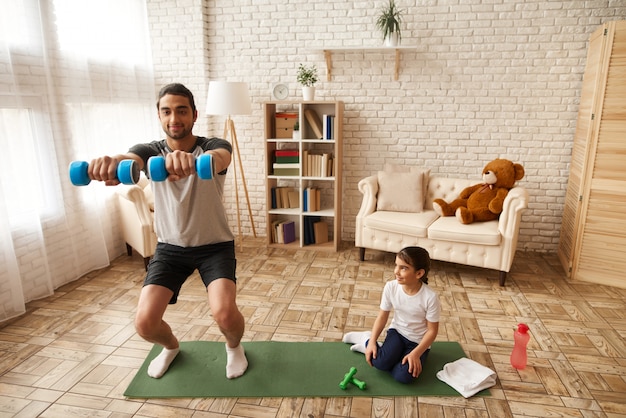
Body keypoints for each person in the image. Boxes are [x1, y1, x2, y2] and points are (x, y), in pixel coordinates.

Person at [88, 83, 248, 379]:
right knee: (145, 323)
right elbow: (130, 160)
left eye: (182, 111)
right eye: (167, 111)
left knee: (224, 313)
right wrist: (111, 163)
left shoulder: (213, 146)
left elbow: (220, 159)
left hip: (215, 246)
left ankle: (234, 346)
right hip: (170, 249)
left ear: (194, 115)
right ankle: (172, 347)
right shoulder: (149, 153)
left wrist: (195, 162)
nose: (174, 118)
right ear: (159, 116)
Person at [343, 246, 440, 384]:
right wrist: (372, 342)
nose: (396, 272)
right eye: (396, 266)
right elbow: (382, 317)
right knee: (379, 363)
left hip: (417, 342)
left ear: (419, 273)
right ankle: (366, 339)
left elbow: (432, 331)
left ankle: (391, 354)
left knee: (403, 377)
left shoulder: (430, 297)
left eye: (404, 268)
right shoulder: (391, 287)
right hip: (397, 332)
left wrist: (416, 353)